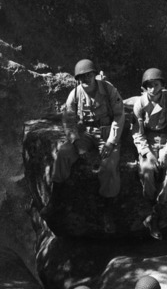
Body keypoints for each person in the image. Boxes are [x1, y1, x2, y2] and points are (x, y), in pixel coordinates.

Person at [53, 59, 126, 199]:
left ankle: (108, 200)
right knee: (63, 154)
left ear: (94, 74)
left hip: (107, 132)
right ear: (78, 79)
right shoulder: (75, 94)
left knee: (109, 166)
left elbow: (119, 115)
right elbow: (68, 119)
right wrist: (75, 140)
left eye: (89, 75)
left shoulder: (108, 89)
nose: (86, 79)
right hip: (85, 132)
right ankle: (56, 194)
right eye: (82, 76)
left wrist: (111, 141)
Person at [127, 67, 167, 233]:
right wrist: (147, 153)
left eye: (156, 84)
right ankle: (154, 211)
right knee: (147, 172)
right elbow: (137, 133)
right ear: (145, 87)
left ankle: (155, 213)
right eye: (149, 85)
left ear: (162, 85)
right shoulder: (140, 103)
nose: (153, 88)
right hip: (148, 141)